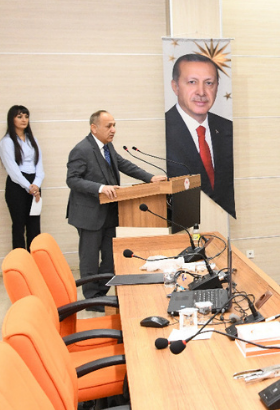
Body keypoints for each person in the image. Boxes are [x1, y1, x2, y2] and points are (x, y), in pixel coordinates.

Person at [67, 110, 167, 302]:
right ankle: (91, 300)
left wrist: (151, 178)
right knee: (89, 259)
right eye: (108, 126)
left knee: (110, 257)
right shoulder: (82, 149)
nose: (113, 130)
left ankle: (103, 295)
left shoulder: (108, 147)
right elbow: (72, 180)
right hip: (89, 215)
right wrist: (100, 188)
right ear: (93, 128)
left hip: (110, 212)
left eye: (114, 125)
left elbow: (125, 165)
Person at [165, 53, 234, 216]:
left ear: (217, 87)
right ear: (175, 86)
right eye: (192, 82)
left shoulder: (227, 128)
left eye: (209, 83)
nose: (201, 92)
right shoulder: (165, 128)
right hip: (182, 221)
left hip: (221, 220)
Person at [0, 105, 44, 250]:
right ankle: (21, 264)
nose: (24, 120)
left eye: (26, 116)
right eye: (19, 117)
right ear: (12, 120)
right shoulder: (6, 142)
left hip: (34, 185)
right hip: (17, 186)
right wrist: (28, 186)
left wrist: (36, 184)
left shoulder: (32, 139)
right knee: (19, 225)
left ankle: (35, 261)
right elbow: (12, 170)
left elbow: (40, 165)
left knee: (34, 225)